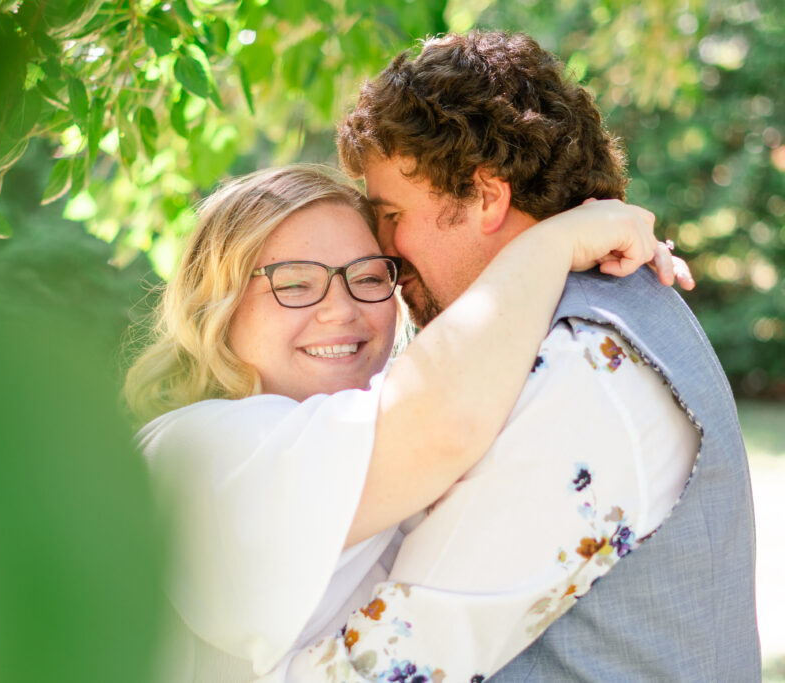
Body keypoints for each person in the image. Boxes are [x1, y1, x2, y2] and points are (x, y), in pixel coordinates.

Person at [280, 30, 759, 682]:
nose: (383, 250)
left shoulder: (587, 368)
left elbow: (392, 660)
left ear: (486, 195)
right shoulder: (554, 332)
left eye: (391, 212)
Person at [124, 164, 684, 681]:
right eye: (294, 283)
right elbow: (443, 424)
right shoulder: (192, 452)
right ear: (213, 307)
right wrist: (556, 241)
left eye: (368, 278)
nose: (341, 309)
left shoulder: (360, 418)